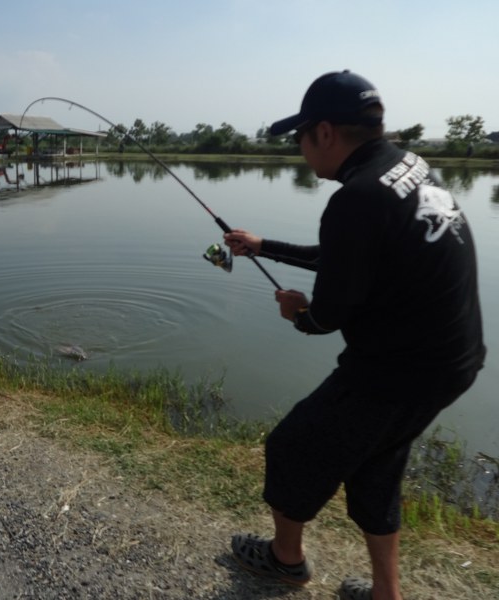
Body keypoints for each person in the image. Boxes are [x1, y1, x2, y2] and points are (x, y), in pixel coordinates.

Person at [225, 71, 485, 600]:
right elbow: (351, 258)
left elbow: (329, 316)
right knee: (376, 467)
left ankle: (284, 560)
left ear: (324, 133)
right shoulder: (407, 167)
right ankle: (386, 592)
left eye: (299, 138)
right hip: (454, 359)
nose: (300, 151)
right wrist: (263, 246)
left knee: (292, 445)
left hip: (400, 368)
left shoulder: (356, 198)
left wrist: (300, 314)